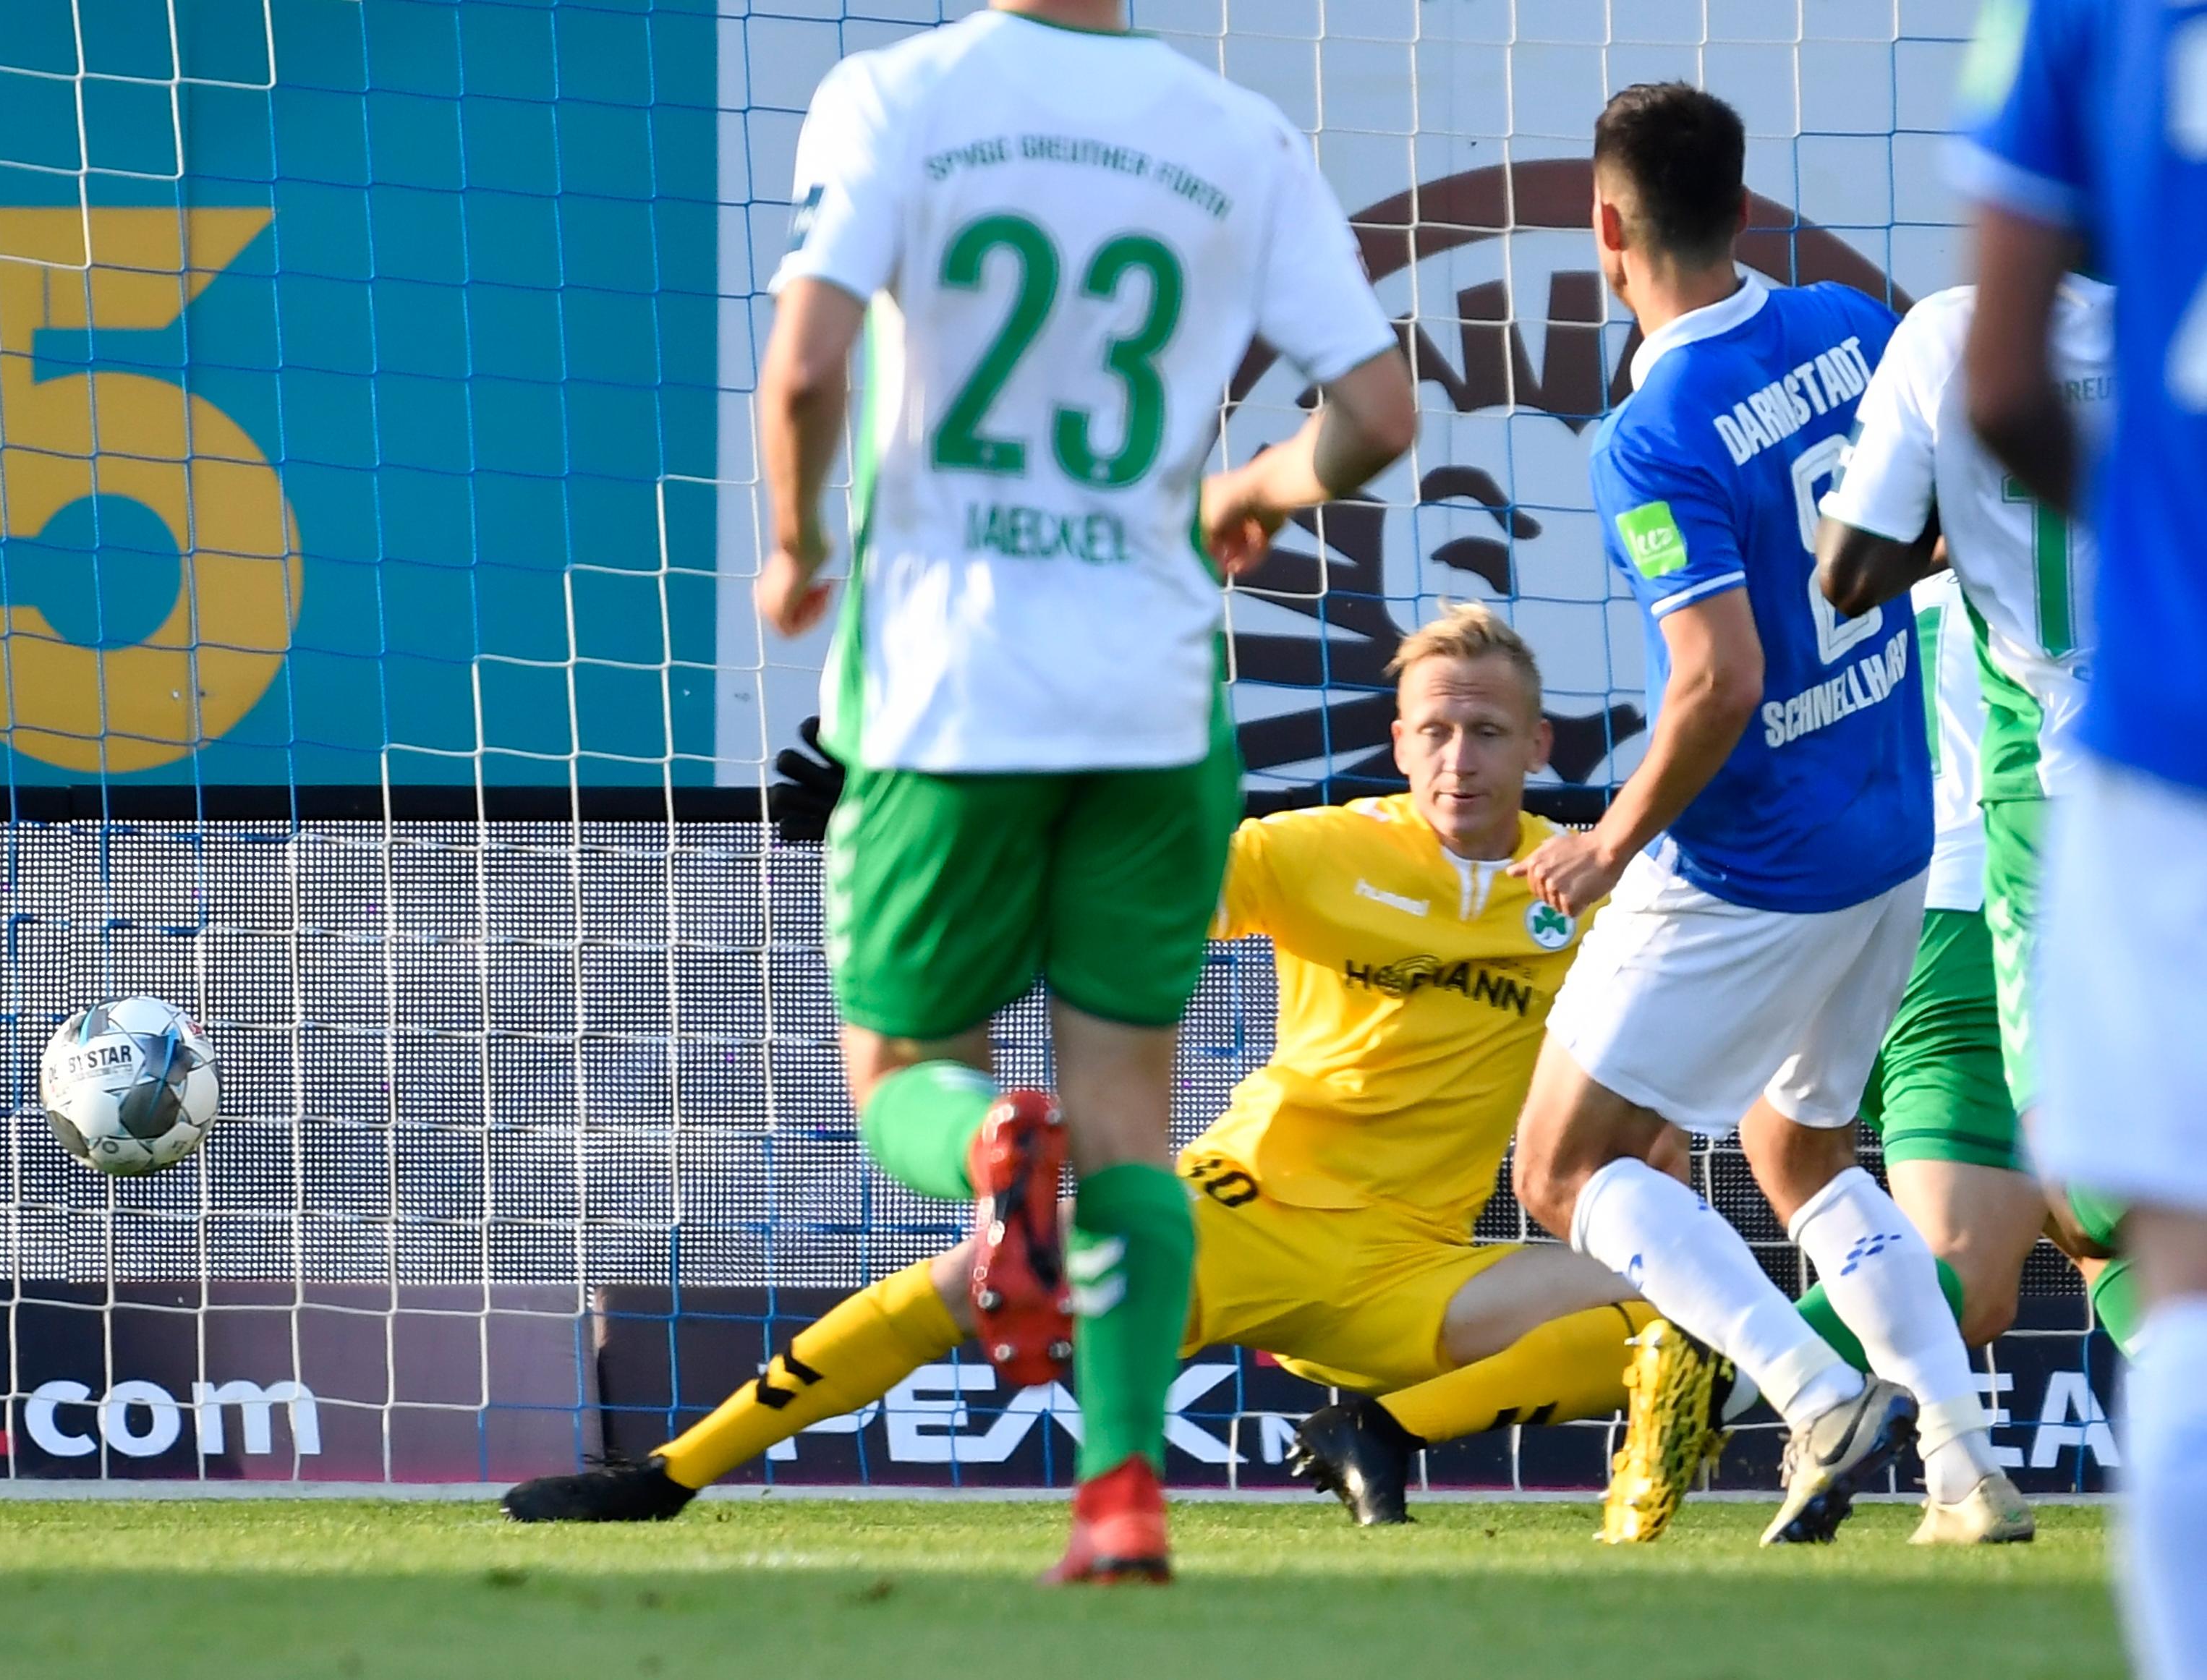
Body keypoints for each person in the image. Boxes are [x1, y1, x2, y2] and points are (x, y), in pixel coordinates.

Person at [503, 607, 1725, 1532]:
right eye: (1439, 731)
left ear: (1538, 745)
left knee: (1688, 1311)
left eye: (1489, 732)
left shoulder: (1595, 895)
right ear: (1401, 744)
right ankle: (665, 1475)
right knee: (975, 1282)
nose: (1461, 757)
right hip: (1238, 1213)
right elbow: (1106, 904)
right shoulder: (1316, 852)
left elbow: (1642, 1096)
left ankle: (1377, 1431)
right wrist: (903, 834)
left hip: (1410, 1269)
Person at [748, 0, 1416, 1581]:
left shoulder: (895, 94)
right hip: (1157, 702)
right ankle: (1121, 1494)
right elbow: (1382, 417)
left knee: (904, 1075)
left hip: (949, 694)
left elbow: (806, 372)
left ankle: (993, 1149)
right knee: (1128, 1127)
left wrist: (794, 546)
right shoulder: (1237, 132)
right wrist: (1258, 485)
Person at [1505, 82, 2028, 1547]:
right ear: (1743, 209)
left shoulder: (1649, 431)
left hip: (1755, 860)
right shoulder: (1850, 329)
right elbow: (1940, 523)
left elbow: (1717, 679)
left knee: (1561, 1165)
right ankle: (1964, 1466)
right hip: (1895, 828)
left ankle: (1813, 1393)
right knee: (1799, 1151)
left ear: (1604, 228)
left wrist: (1608, 842)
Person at [1952, 1, 2207, 1672]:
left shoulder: (2077, 14)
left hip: (2164, 732)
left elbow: (2000, 380)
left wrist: (2147, 556)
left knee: (2181, 1263)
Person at [1813, 272, 2136, 1352]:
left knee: (2027, 1252)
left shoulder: (1947, 342)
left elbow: (1844, 574)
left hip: (1958, 868)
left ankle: (1735, 1351)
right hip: (2026, 862)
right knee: (2072, 1223)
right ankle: (1740, 1354)